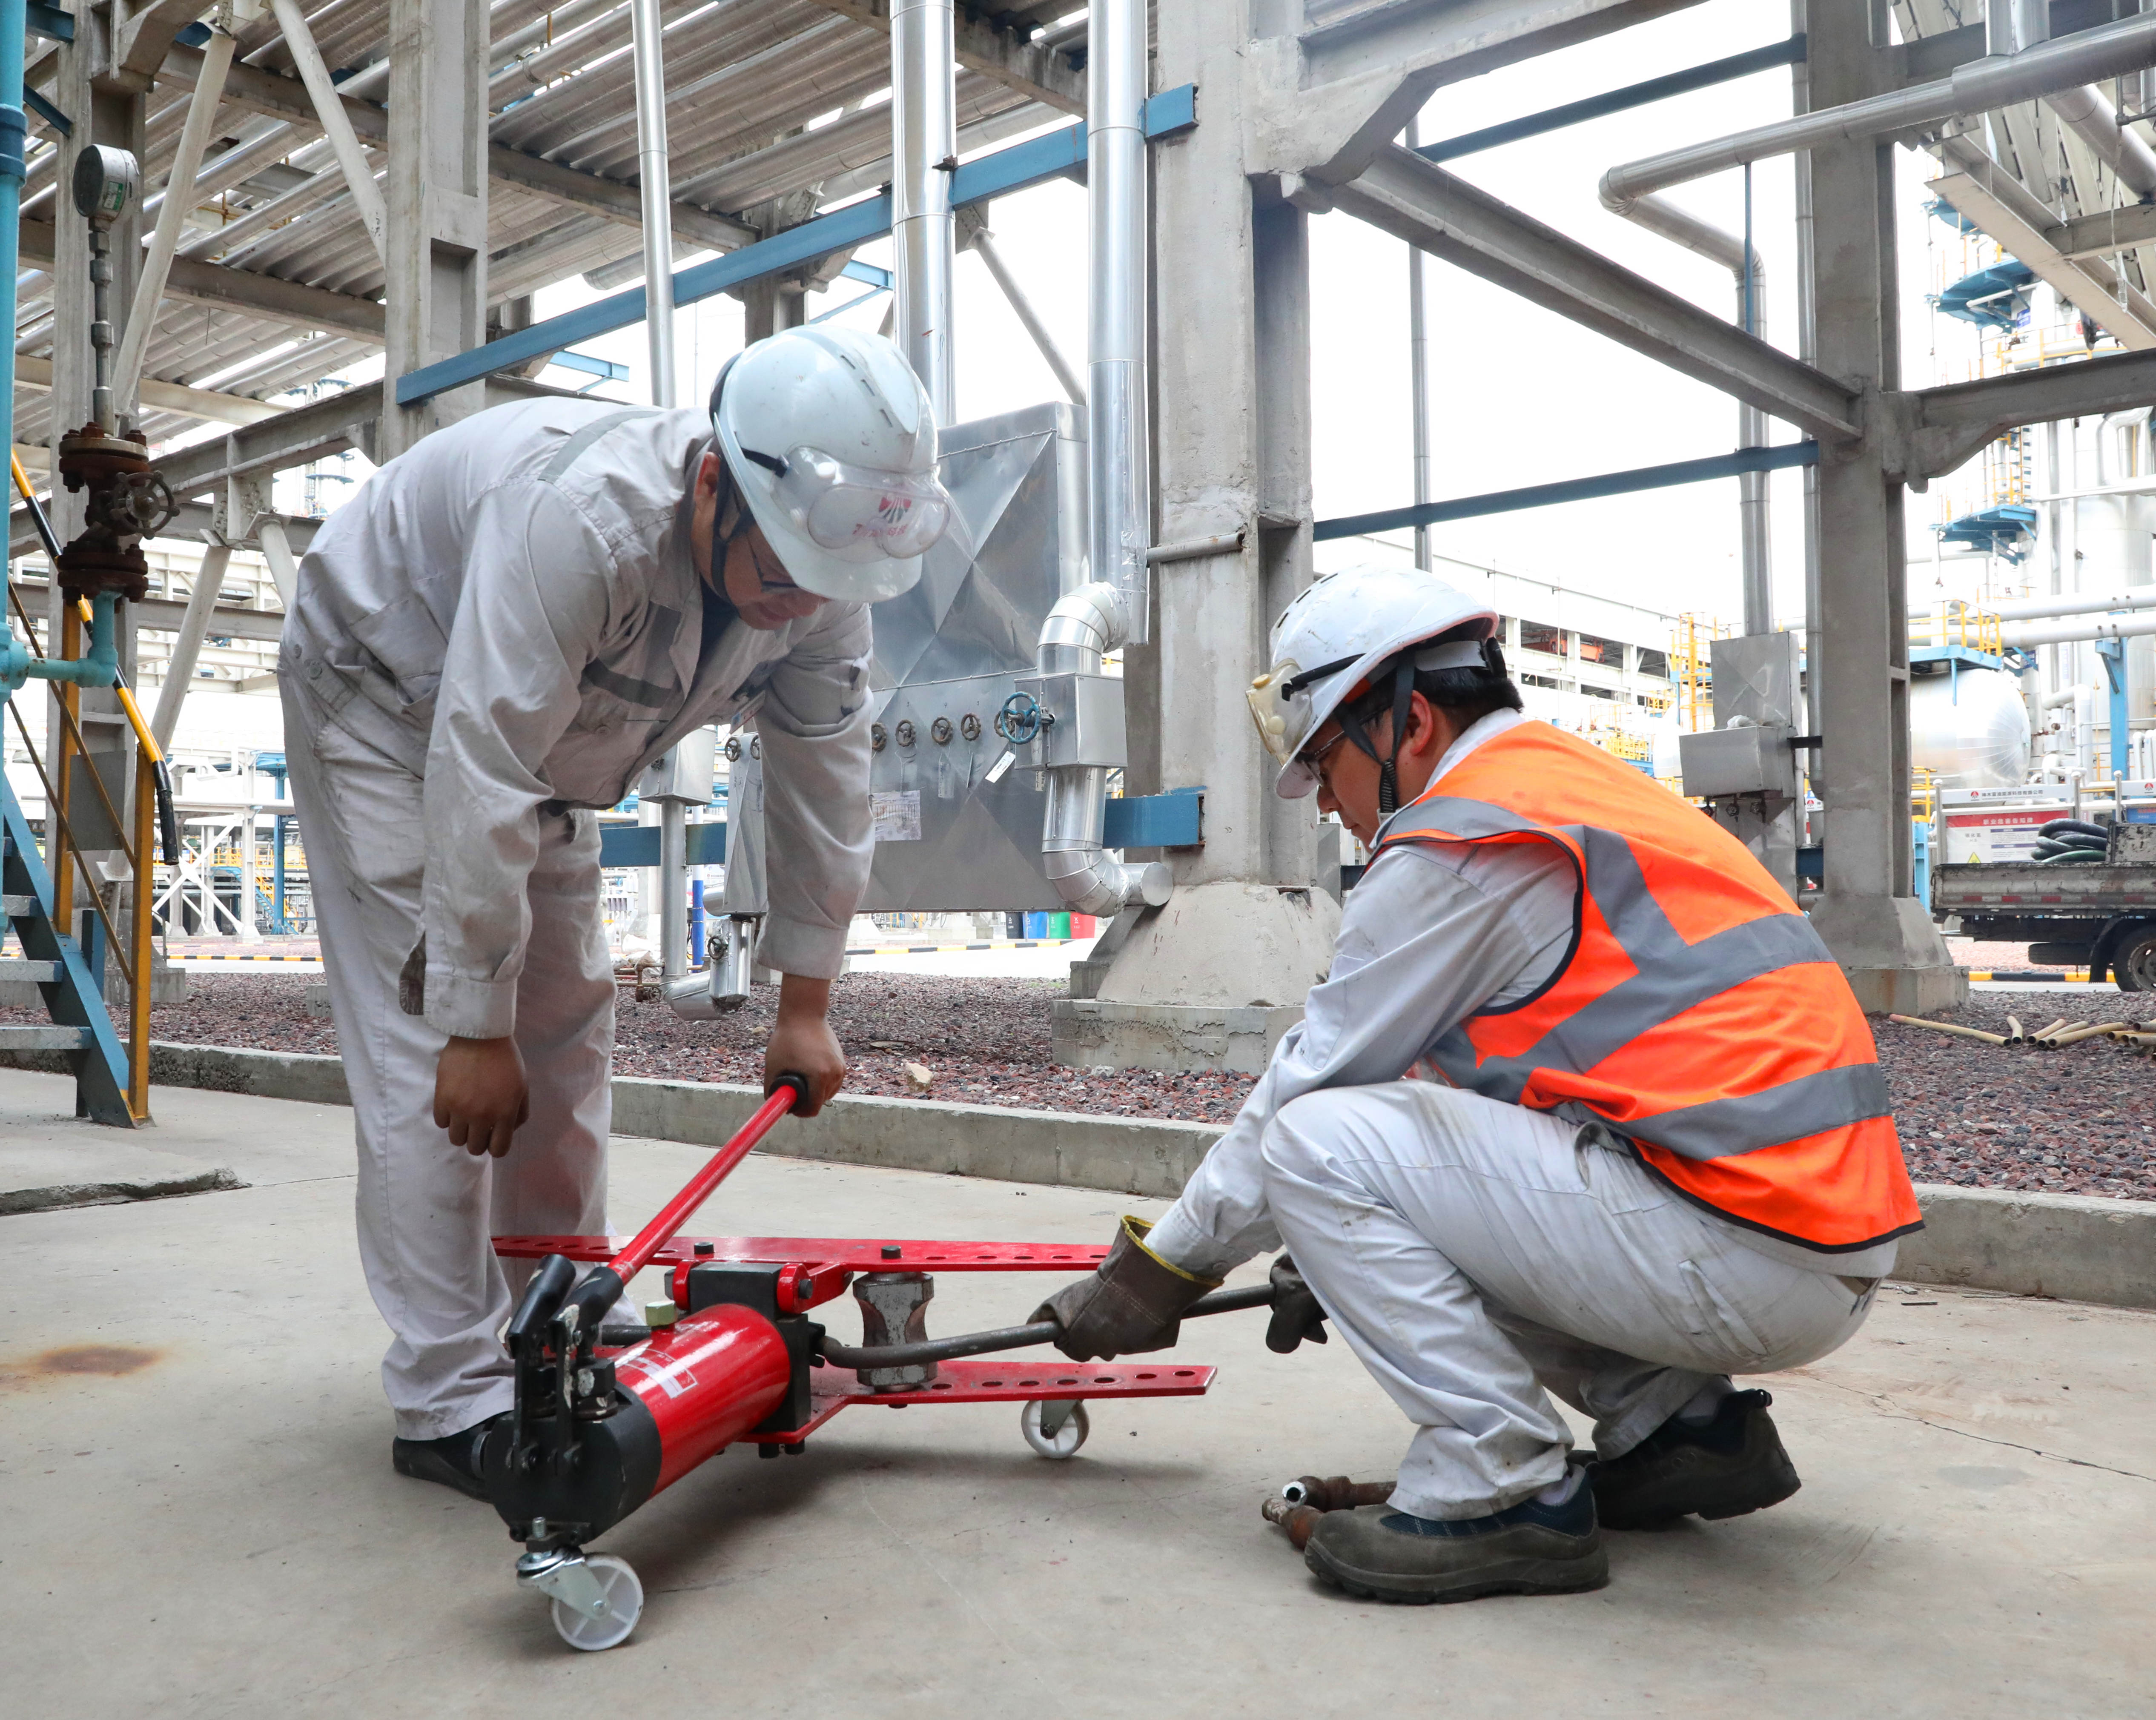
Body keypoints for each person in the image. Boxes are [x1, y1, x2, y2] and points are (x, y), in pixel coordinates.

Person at [1036, 564, 1917, 1604]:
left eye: (1326, 761)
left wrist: (1158, 1275)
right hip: (1806, 1235)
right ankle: (1683, 1426)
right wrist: (1342, 1246)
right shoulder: (1566, 788)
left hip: (1742, 1247)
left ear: (1408, 722)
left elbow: (1305, 1093)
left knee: (1311, 1142)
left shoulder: (1463, 837)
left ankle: (1501, 1491)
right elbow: (1502, 1123)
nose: (1327, 801)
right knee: (1360, 1157)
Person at [279, 327, 951, 1499]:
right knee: (435, 1056)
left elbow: (825, 779)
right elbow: (481, 757)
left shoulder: (824, 572)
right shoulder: (580, 523)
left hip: (546, 747)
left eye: (824, 582)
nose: (800, 604)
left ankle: (553, 1308)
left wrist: (806, 1002)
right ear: (714, 483)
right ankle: (449, 1396)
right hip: (386, 698)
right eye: (783, 573)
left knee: (567, 1023)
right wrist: (473, 1023)